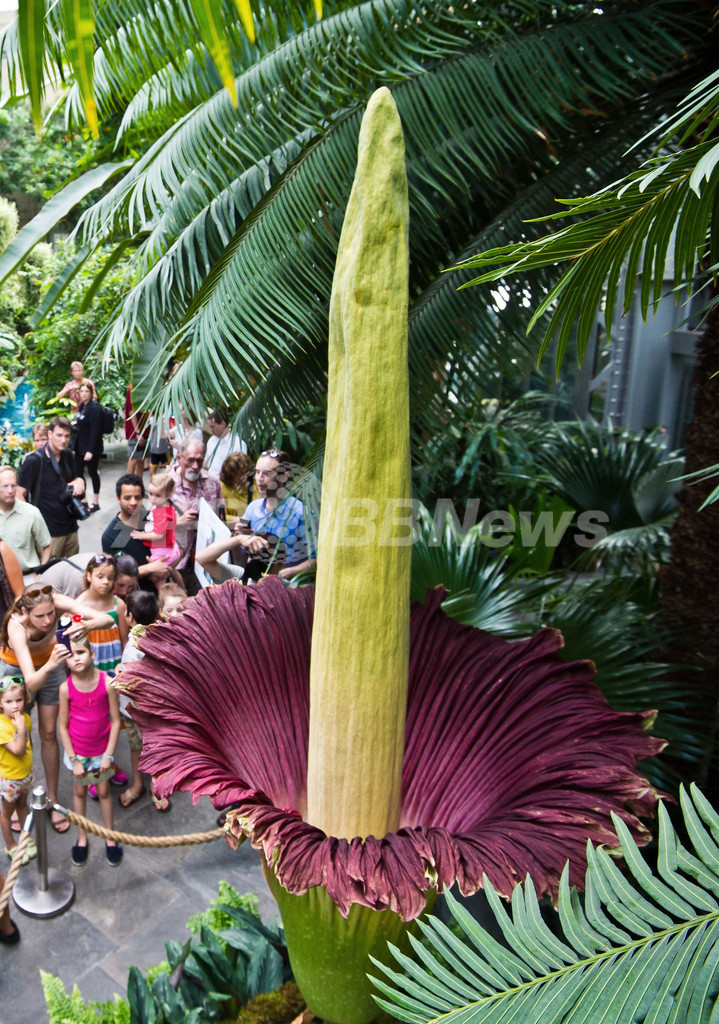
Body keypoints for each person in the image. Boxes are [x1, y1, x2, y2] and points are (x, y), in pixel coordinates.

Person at [0, 585, 114, 834]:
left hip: (49, 666)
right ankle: (18, 798)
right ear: (24, 611)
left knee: (49, 733)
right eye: (39, 616)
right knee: (18, 735)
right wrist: (52, 664)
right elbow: (31, 682)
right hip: (18, 671)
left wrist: (87, 625)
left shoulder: (58, 603)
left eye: (51, 613)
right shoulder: (16, 627)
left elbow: (107, 618)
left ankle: (51, 799)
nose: (48, 620)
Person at [58, 638, 122, 866]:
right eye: (70, 654)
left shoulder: (107, 684)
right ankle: (82, 836)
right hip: (79, 755)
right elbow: (62, 727)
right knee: (80, 793)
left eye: (81, 651)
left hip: (102, 753)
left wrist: (109, 755)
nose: (76, 657)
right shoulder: (65, 689)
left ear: (92, 654)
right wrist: (74, 760)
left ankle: (110, 836)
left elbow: (116, 721)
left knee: (104, 792)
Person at [117, 588, 170, 812]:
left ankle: (148, 786)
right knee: (152, 747)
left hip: (137, 710)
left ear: (129, 617)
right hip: (152, 710)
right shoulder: (161, 636)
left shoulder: (133, 650)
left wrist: (119, 675)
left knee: (140, 748)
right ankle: (148, 785)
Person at [17, 416, 87, 559]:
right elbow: (19, 494)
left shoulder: (67, 455)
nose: (63, 440)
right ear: (50, 434)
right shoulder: (34, 460)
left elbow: (76, 478)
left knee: (71, 573)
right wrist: (33, 521)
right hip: (49, 533)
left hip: (71, 527)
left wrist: (80, 481)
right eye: (59, 435)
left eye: (67, 436)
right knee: (50, 576)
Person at [241, 449, 316, 581]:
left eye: (267, 473)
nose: (259, 478)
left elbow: (318, 560)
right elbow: (242, 557)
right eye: (257, 472)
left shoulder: (301, 513)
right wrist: (240, 536)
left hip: (290, 589)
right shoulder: (252, 509)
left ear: (284, 476)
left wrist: (290, 572)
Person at [101, 475, 174, 590]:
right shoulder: (111, 535)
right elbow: (114, 575)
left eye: (137, 497)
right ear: (118, 499)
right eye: (127, 498)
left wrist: (166, 567)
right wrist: (149, 568)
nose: (133, 502)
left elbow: (171, 548)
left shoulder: (152, 518)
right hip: (137, 597)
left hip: (163, 590)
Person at [170, 437, 221, 592]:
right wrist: (177, 521)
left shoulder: (212, 482)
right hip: (177, 562)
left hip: (206, 560)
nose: (195, 465)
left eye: (199, 460)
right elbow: (150, 525)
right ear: (179, 458)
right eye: (190, 460)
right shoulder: (165, 484)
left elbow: (221, 518)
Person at [0, 676, 37, 865]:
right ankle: (10, 845)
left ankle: (24, 839)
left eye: (18, 700)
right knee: (6, 812)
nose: (14, 706)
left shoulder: (26, 719)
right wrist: (20, 730)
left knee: (23, 806)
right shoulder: (2, 726)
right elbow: (18, 749)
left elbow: (29, 746)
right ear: (0, 703)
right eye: (8, 701)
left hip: (25, 774)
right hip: (10, 779)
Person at [0, 466, 52, 575]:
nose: (10, 491)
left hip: (26, 576)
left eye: (13, 486)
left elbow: (47, 544)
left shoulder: (31, 513)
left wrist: (41, 573)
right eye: (5, 486)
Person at [132, 473, 180, 566]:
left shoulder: (162, 513)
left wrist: (142, 535)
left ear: (169, 494)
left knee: (157, 576)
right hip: (168, 546)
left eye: (158, 495)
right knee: (170, 571)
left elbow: (158, 535)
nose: (153, 498)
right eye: (150, 494)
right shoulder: (162, 506)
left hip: (162, 550)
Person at [74, 382, 103, 513]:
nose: (84, 394)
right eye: (82, 391)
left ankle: (95, 502)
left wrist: (90, 450)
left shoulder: (94, 408)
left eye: (86, 391)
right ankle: (84, 499)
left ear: (91, 393)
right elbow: (82, 422)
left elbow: (95, 431)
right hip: (80, 446)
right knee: (78, 473)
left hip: (91, 447)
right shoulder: (82, 406)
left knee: (92, 472)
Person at [205, 410, 247, 474]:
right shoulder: (211, 441)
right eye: (209, 427)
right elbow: (206, 462)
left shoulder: (238, 444)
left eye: (212, 426)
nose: (210, 430)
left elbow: (241, 469)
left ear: (223, 424)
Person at [220, 452, 256, 521]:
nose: (245, 477)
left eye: (247, 472)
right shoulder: (223, 487)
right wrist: (242, 521)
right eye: (241, 474)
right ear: (231, 475)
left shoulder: (255, 483)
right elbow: (220, 517)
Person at [124, 385, 151, 478]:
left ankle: (139, 485)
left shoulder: (147, 384)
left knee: (141, 459)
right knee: (133, 458)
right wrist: (138, 432)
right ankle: (127, 484)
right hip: (135, 431)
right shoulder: (134, 387)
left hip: (145, 428)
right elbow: (132, 411)